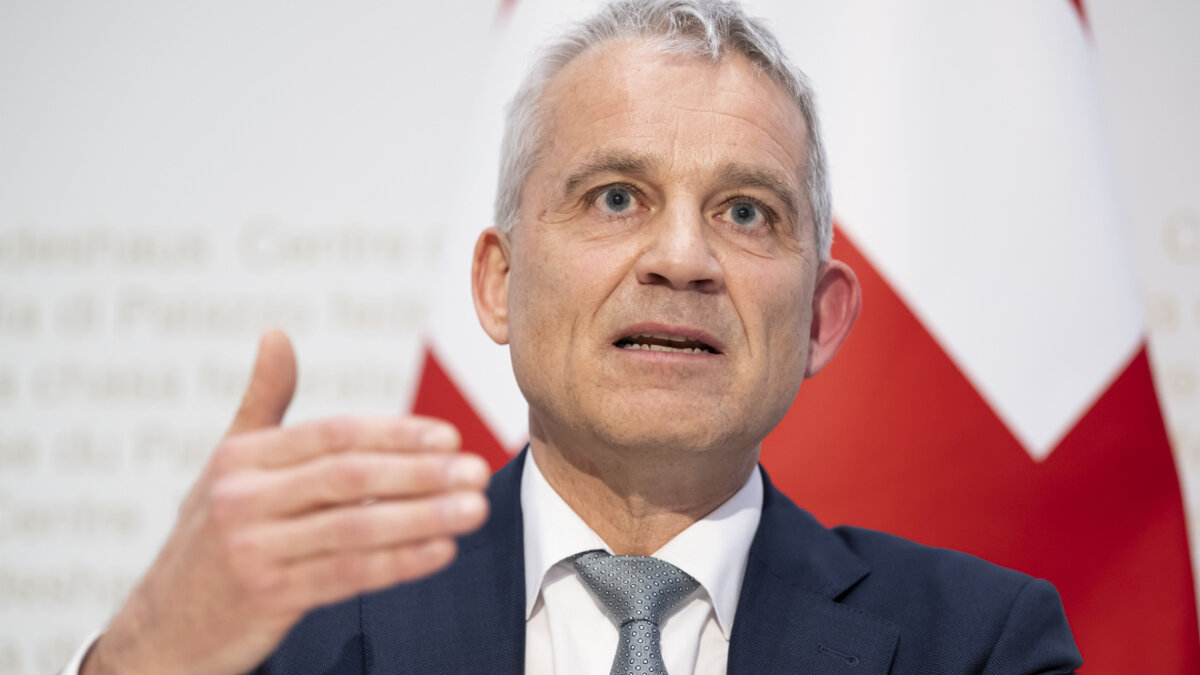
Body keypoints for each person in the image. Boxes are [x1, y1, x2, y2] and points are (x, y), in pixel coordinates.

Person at [66, 1, 1083, 673]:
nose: (682, 258)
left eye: (745, 212)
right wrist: (145, 652)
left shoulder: (979, 644)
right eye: (615, 196)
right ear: (499, 284)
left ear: (820, 318)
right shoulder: (301, 628)